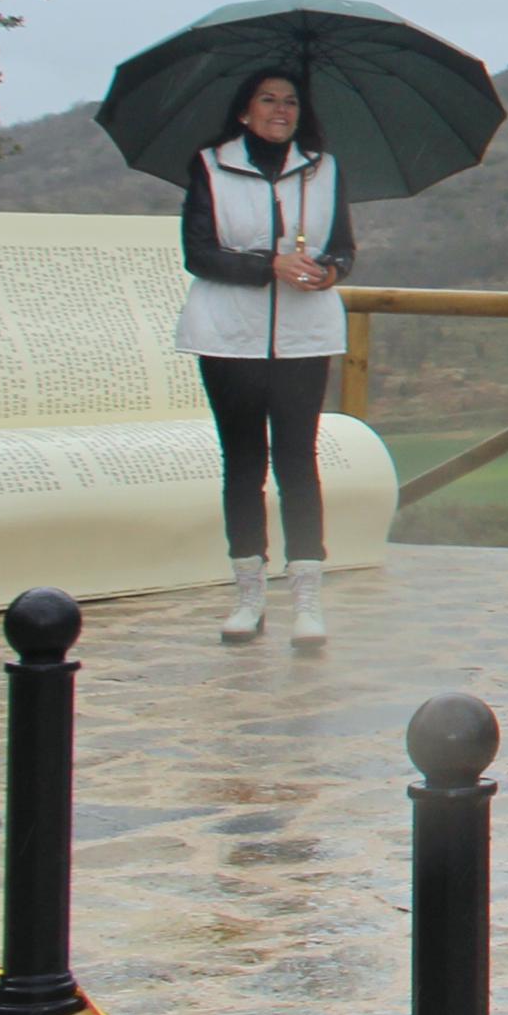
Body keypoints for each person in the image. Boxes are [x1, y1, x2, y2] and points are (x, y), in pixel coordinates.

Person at [174, 69, 355, 648]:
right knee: (244, 463)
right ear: (245, 111)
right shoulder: (211, 166)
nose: (281, 110)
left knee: (299, 461)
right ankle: (248, 594)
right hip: (230, 334)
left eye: (291, 102)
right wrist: (266, 267)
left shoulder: (323, 168)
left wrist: (329, 272)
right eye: (269, 100)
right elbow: (198, 254)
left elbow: (346, 250)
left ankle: (307, 599)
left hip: (305, 335)